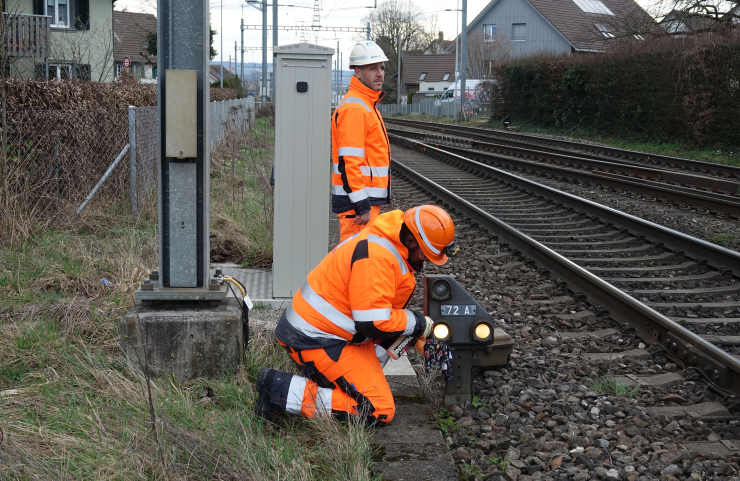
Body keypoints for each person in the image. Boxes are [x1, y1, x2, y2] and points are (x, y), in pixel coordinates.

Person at [255, 205, 458, 425]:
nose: (425, 260)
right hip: (313, 339)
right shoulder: (378, 258)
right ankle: (277, 389)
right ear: (410, 241)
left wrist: (421, 341)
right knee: (377, 410)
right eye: (424, 254)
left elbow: (383, 317)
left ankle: (345, 383)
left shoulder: (390, 246)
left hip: (330, 332)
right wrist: (418, 322)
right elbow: (373, 323)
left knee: (408, 329)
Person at [332, 41, 392, 242]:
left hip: (363, 202)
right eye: (372, 68)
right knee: (355, 263)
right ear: (357, 72)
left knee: (360, 262)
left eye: (382, 68)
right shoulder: (356, 108)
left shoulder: (365, 104)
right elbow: (349, 160)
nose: (379, 74)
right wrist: (361, 203)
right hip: (357, 206)